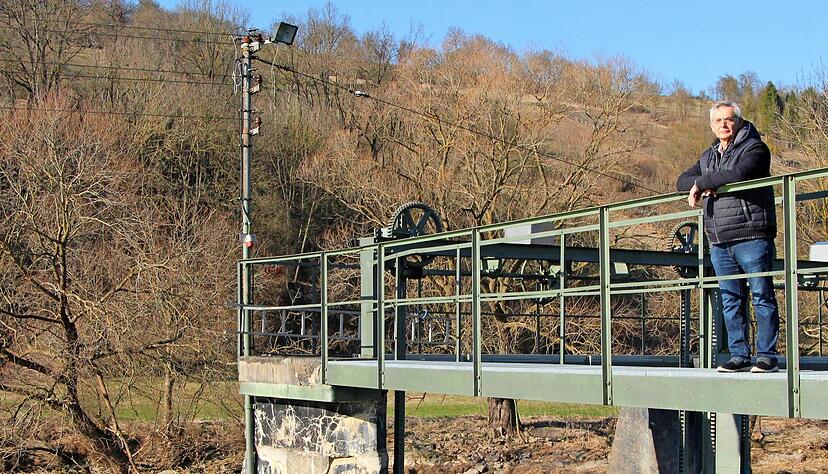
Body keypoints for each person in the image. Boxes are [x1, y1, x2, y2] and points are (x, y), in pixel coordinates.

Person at [676, 101, 780, 373]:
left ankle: (767, 356)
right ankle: (739, 355)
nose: (723, 124)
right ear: (712, 125)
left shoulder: (755, 148)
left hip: (752, 234)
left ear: (739, 121)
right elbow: (681, 181)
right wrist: (701, 183)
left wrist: (704, 182)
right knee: (731, 298)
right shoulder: (709, 155)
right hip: (719, 239)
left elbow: (740, 172)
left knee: (761, 295)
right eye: (718, 121)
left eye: (728, 119)